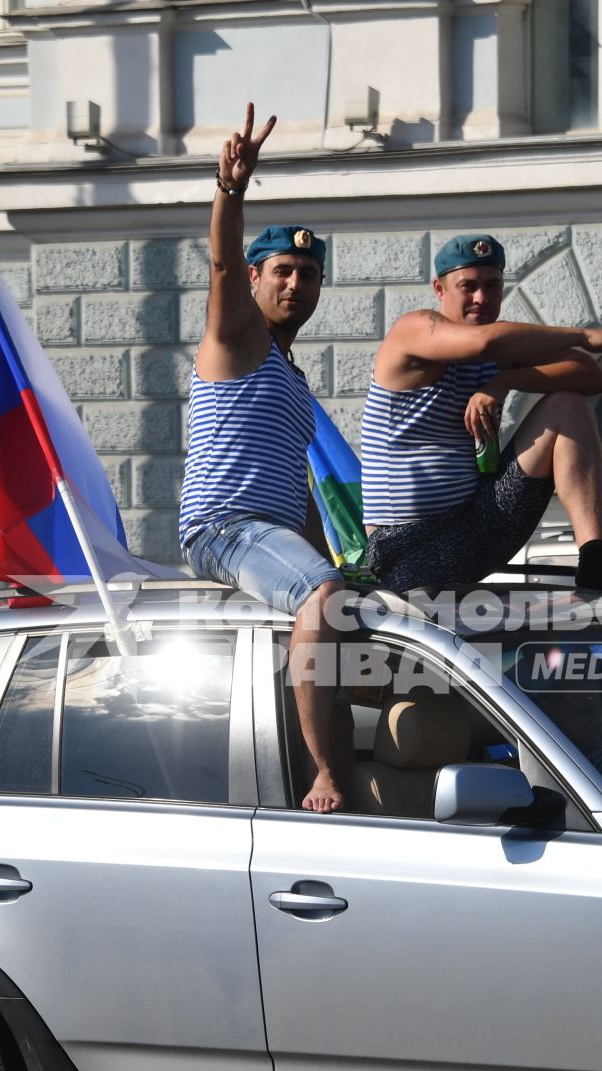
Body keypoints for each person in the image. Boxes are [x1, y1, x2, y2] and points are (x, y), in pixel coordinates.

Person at [178, 104, 349, 813]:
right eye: (282, 271)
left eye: (308, 275)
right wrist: (232, 189)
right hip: (222, 529)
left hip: (266, 530)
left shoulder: (293, 380)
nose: (295, 285)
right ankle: (328, 774)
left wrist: (340, 562)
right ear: (254, 278)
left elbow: (296, 493)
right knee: (322, 599)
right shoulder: (236, 338)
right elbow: (220, 259)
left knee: (342, 596)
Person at [361, 234, 602, 596]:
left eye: (492, 287)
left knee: (569, 404)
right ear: (439, 289)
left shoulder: (498, 353)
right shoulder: (412, 330)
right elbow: (483, 342)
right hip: (408, 545)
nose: (481, 299)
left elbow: (590, 375)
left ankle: (595, 558)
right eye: (467, 287)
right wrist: (583, 334)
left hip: (480, 522)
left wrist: (505, 380)